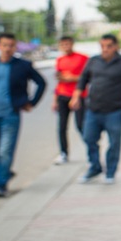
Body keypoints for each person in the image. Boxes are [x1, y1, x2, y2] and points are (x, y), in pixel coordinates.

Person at [70, 34, 121, 184]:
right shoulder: (94, 60)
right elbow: (83, 80)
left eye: (109, 46)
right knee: (88, 138)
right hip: (93, 109)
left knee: (114, 142)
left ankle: (110, 172)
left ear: (116, 46)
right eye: (102, 46)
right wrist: (76, 97)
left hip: (114, 110)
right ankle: (95, 167)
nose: (105, 49)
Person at [0, 33, 45, 197]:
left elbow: (41, 83)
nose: (7, 48)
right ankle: (4, 173)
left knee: (5, 150)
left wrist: (31, 102)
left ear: (15, 47)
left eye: (11, 45)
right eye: (4, 45)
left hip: (10, 115)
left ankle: (1, 184)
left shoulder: (23, 65)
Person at [51, 36, 88, 164]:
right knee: (61, 127)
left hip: (78, 96)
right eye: (63, 44)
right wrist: (54, 99)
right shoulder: (60, 60)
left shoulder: (82, 58)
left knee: (80, 125)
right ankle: (63, 153)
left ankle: (91, 150)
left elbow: (88, 77)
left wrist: (73, 78)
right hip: (62, 95)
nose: (65, 47)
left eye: (67, 44)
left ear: (72, 44)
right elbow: (59, 80)